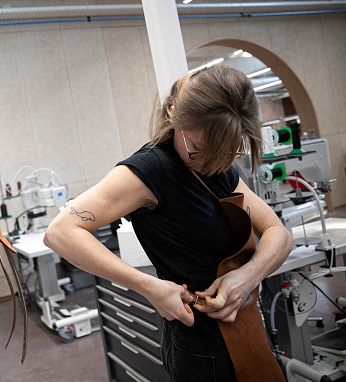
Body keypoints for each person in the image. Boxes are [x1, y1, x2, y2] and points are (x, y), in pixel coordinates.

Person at [43, 64, 293, 381]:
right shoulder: (151, 170)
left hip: (245, 329)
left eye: (225, 151)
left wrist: (246, 277)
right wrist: (149, 287)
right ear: (173, 114)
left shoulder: (218, 166)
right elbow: (60, 232)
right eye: (197, 150)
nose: (209, 162)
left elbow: (278, 235)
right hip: (201, 350)